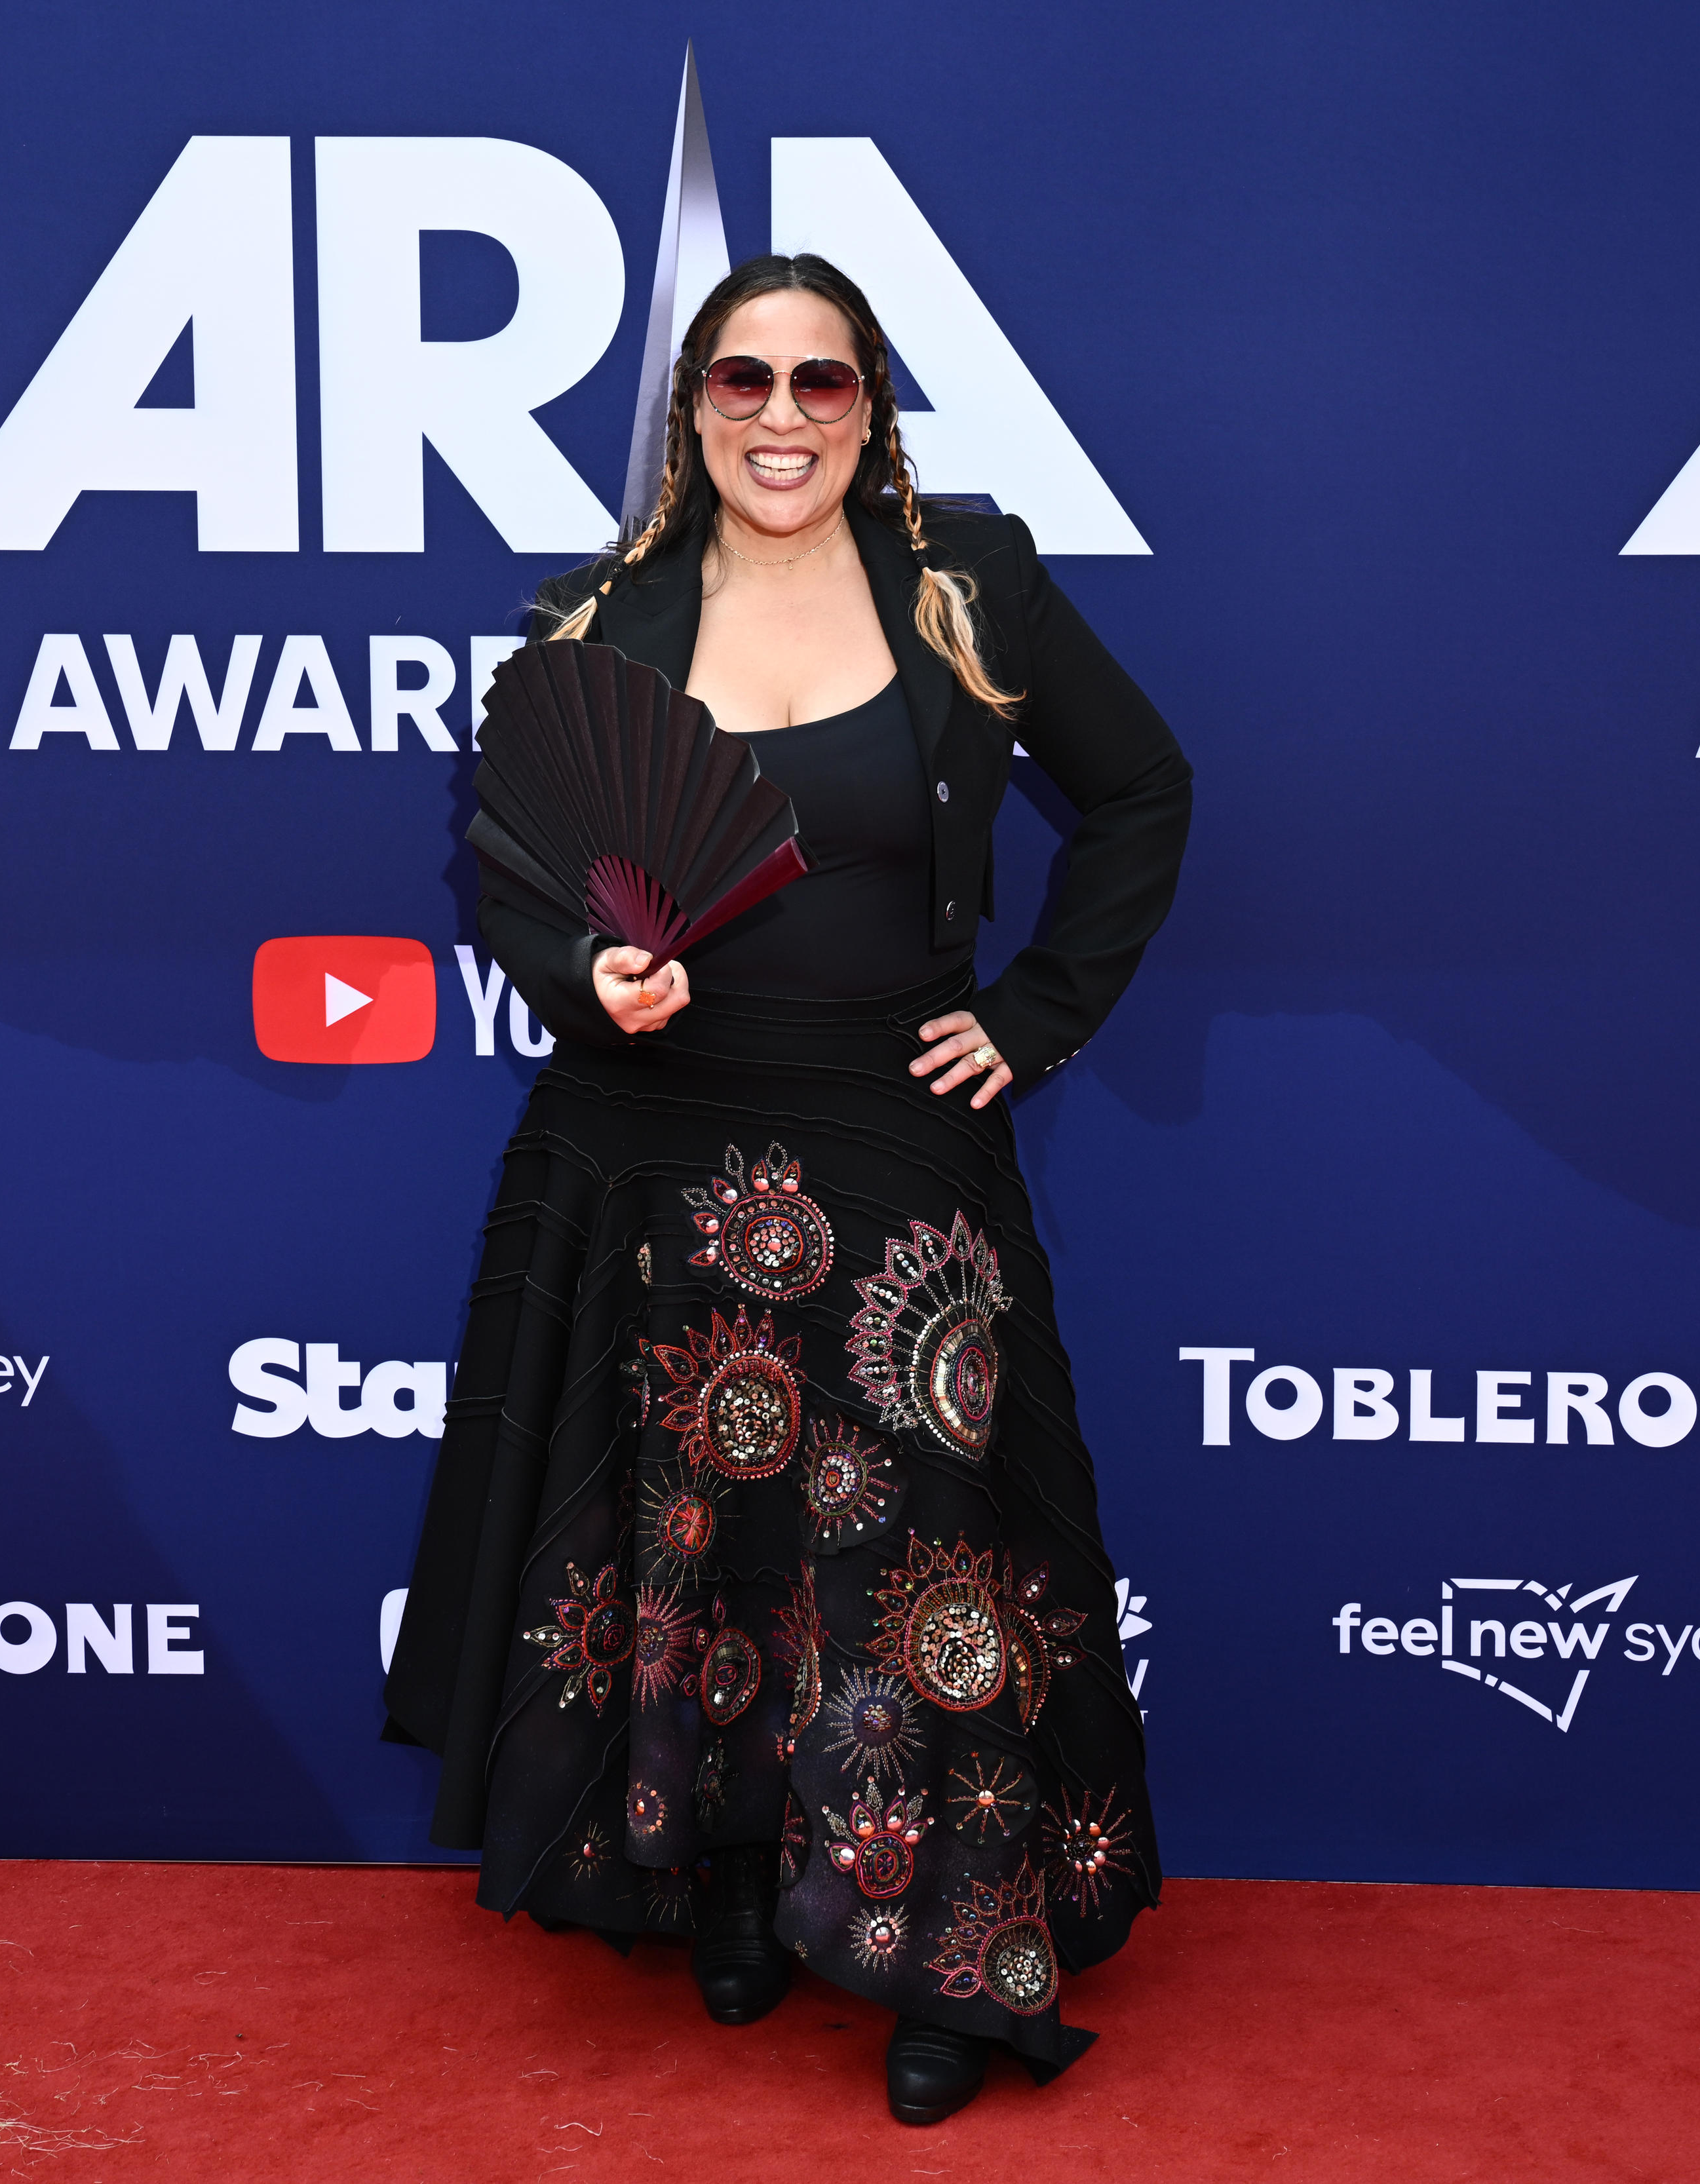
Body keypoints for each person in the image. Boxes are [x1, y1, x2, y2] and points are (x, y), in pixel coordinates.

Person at [384, 253, 1189, 2126]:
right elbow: (516, 873)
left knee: (916, 1568)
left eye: (822, 384)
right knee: (697, 1538)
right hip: (653, 1134)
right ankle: (729, 1880)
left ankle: (944, 1951)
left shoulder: (965, 584)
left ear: (870, 407)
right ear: (691, 407)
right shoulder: (600, 625)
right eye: (743, 379)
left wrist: (1039, 1012)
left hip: (900, 1138)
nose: (780, 416)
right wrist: (588, 976)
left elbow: (1142, 789)